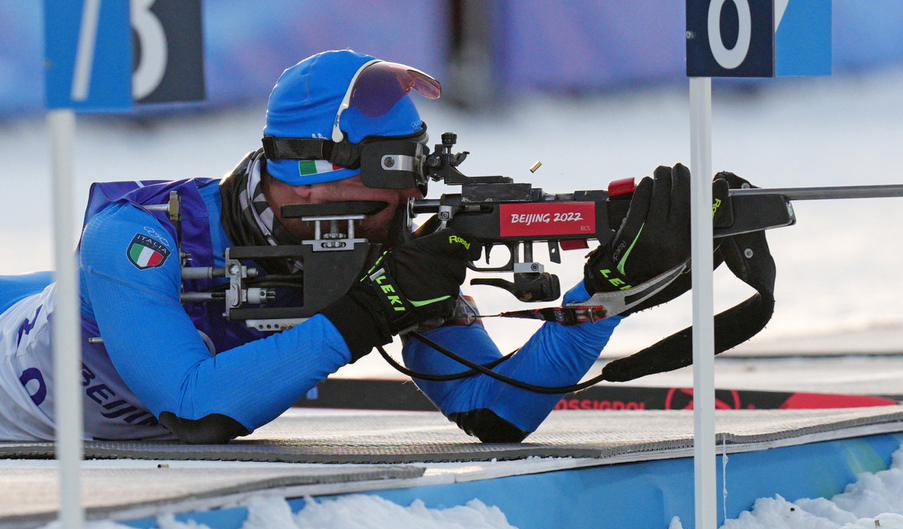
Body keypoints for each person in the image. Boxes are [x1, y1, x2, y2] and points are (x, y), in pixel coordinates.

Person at [0, 50, 702, 445]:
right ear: (310, 183)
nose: (399, 223)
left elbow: (495, 409)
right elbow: (196, 410)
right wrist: (375, 309)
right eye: (381, 203)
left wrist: (607, 293)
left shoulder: (376, 251)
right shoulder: (133, 238)